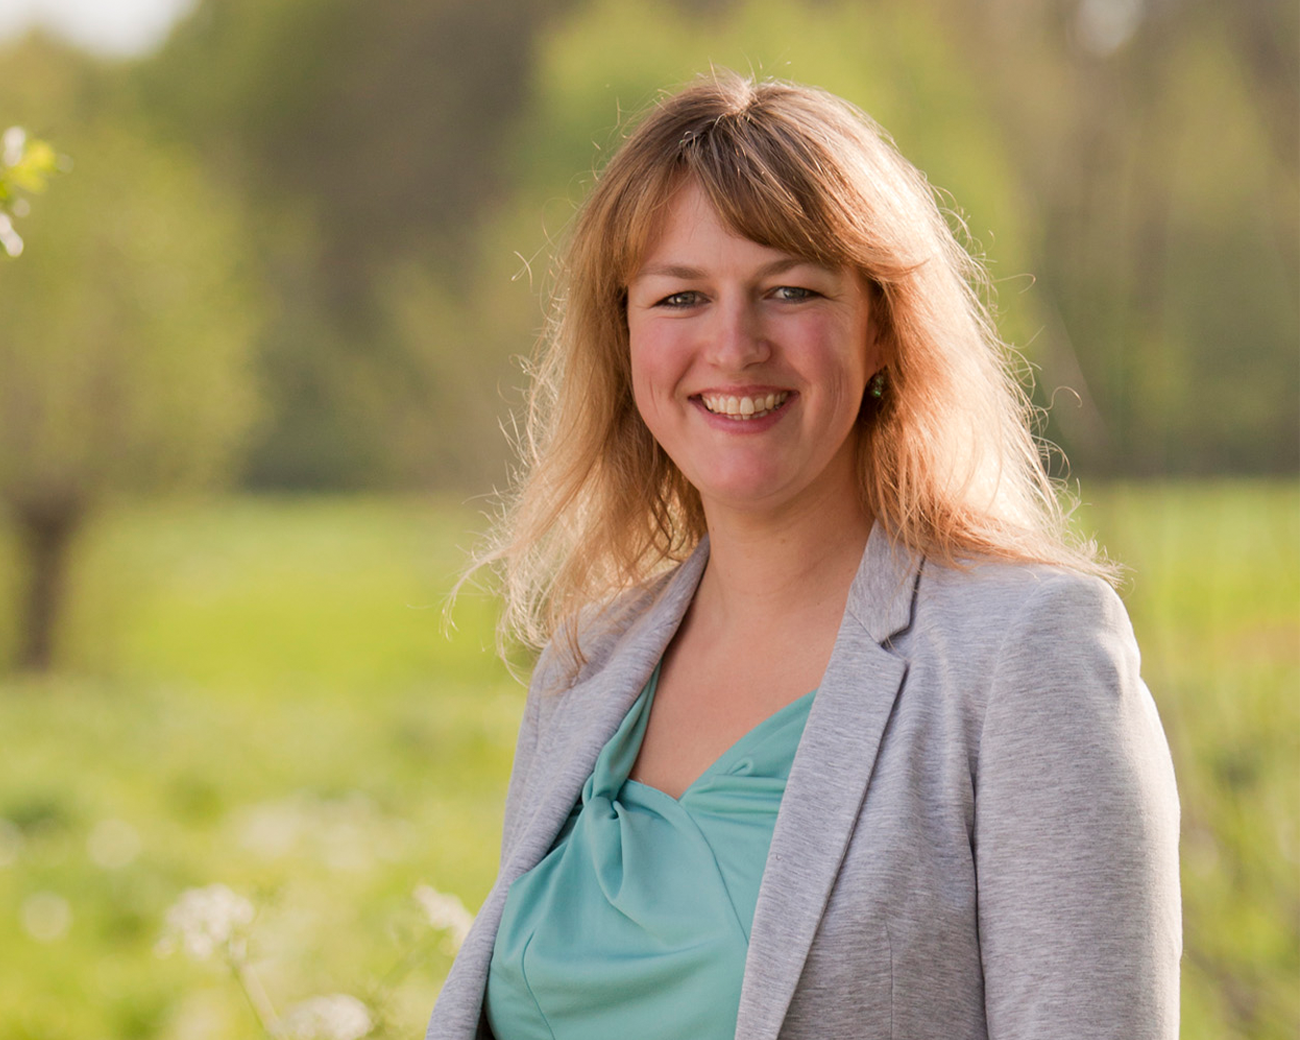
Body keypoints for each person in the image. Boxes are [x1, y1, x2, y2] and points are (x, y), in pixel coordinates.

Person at [426, 72, 1180, 1040]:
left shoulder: (1023, 651)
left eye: (790, 291)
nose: (733, 345)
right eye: (680, 296)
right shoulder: (589, 664)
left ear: (882, 327)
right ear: (623, 338)